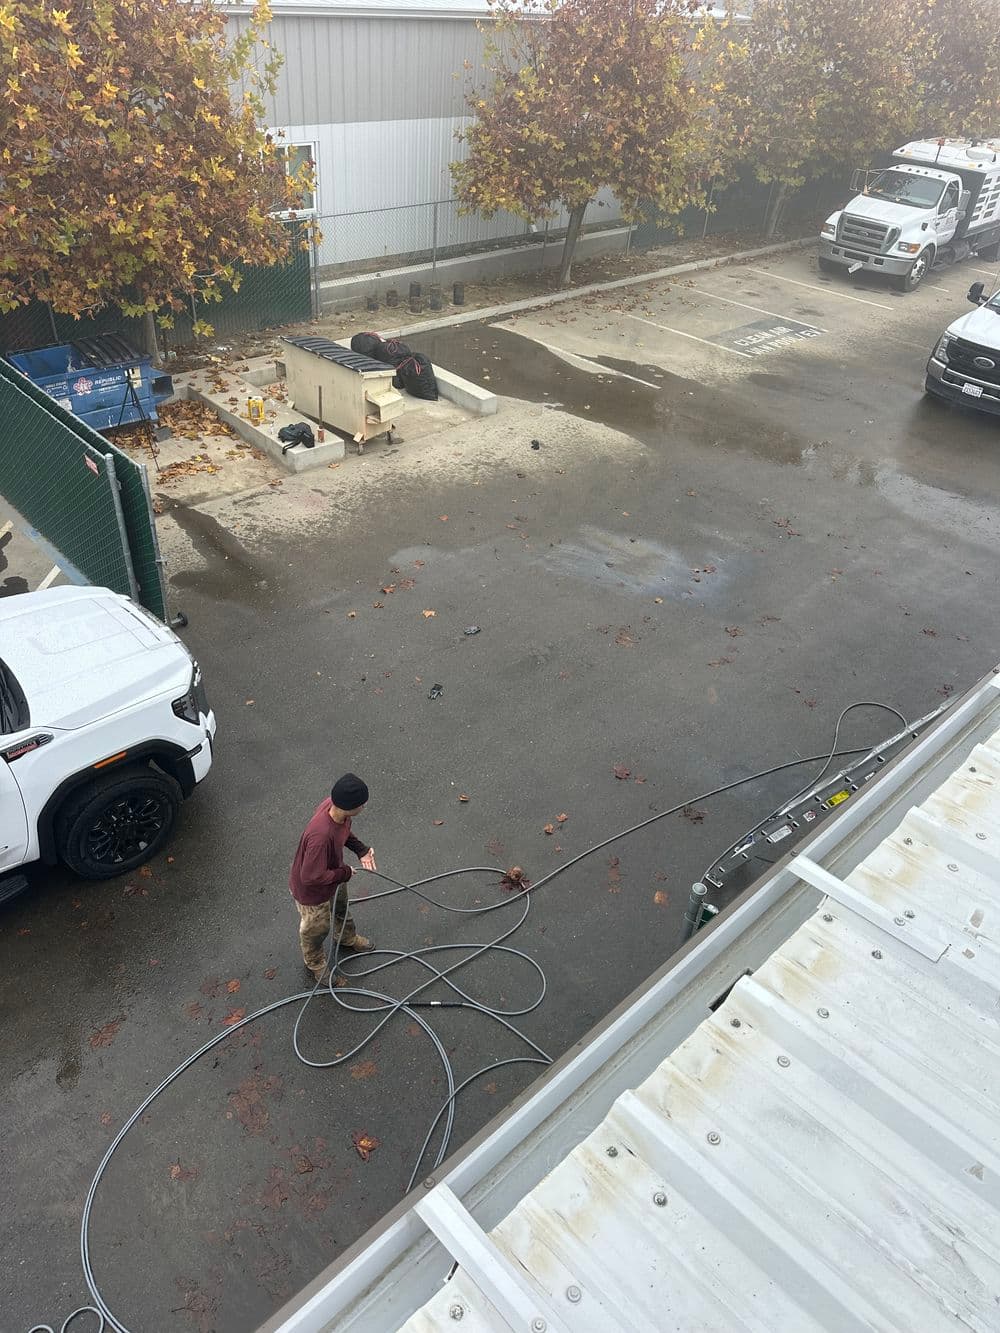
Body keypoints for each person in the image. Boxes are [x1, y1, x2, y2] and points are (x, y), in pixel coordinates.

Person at [289, 773, 377, 982]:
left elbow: (344, 833)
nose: (364, 806)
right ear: (350, 807)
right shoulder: (320, 835)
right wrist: (344, 873)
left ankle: (346, 937)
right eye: (362, 804)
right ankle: (315, 963)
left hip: (332, 877)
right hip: (312, 893)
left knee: (341, 908)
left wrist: (361, 850)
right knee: (316, 929)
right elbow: (310, 876)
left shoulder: (336, 809)